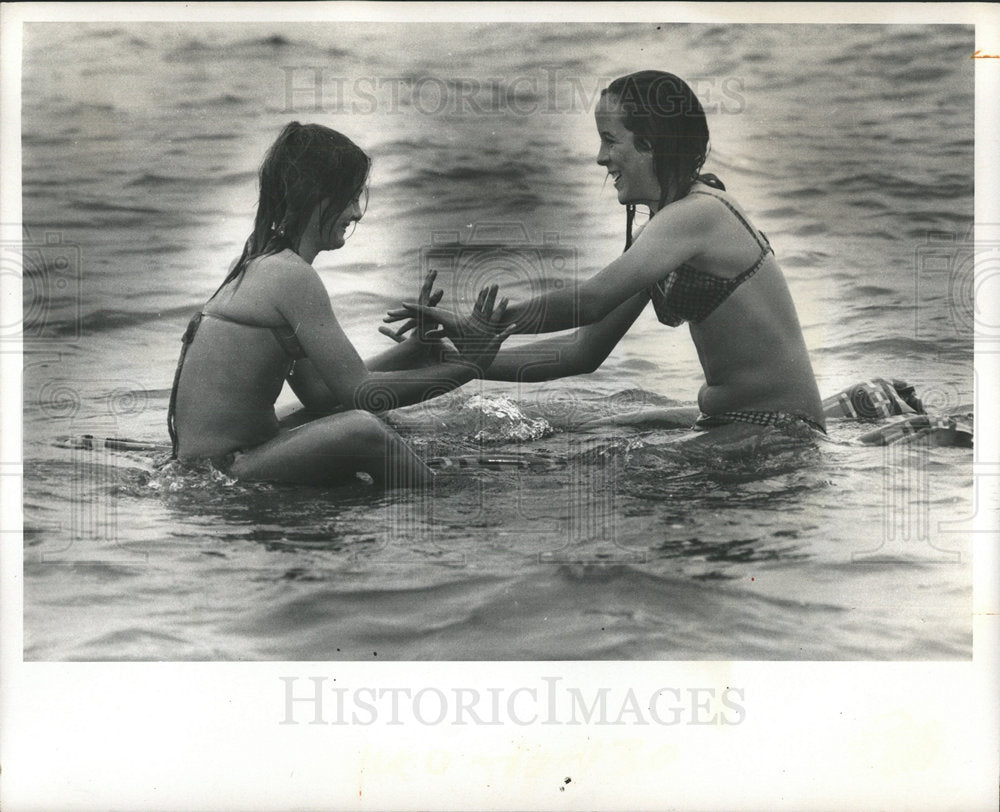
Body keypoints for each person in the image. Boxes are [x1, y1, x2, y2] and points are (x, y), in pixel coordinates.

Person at [388, 71, 826, 445]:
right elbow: (583, 351)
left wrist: (487, 324)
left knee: (590, 466)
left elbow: (593, 298)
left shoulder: (699, 214)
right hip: (734, 421)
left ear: (651, 143)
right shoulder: (662, 227)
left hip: (778, 429)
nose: (600, 158)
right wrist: (457, 358)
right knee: (584, 432)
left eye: (610, 140)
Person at [167, 122, 514, 487]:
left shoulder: (262, 262)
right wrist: (469, 367)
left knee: (338, 417)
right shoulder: (291, 275)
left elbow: (321, 392)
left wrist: (415, 349)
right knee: (365, 430)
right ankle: (439, 500)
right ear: (317, 198)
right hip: (222, 470)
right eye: (350, 197)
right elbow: (360, 393)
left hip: (212, 463)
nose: (357, 213)